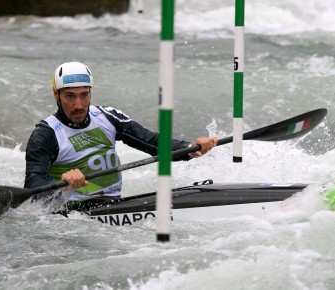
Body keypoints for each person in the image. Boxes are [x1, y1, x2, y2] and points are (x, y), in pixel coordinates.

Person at [24, 61, 217, 207]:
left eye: (84, 95)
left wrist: (189, 148)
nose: (79, 105)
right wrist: (62, 185)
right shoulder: (45, 134)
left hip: (112, 205)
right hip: (71, 215)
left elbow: (152, 142)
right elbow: (32, 190)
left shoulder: (107, 116)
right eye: (70, 96)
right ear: (56, 94)